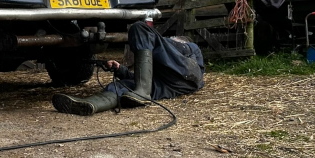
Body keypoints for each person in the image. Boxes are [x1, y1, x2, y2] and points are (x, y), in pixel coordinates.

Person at [52, 20, 205, 115]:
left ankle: (143, 94)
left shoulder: (189, 47)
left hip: (185, 73)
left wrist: (168, 42)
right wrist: (120, 70)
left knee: (140, 28)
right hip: (166, 86)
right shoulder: (162, 71)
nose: (169, 41)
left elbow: (195, 71)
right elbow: (142, 78)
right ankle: (90, 105)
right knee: (122, 87)